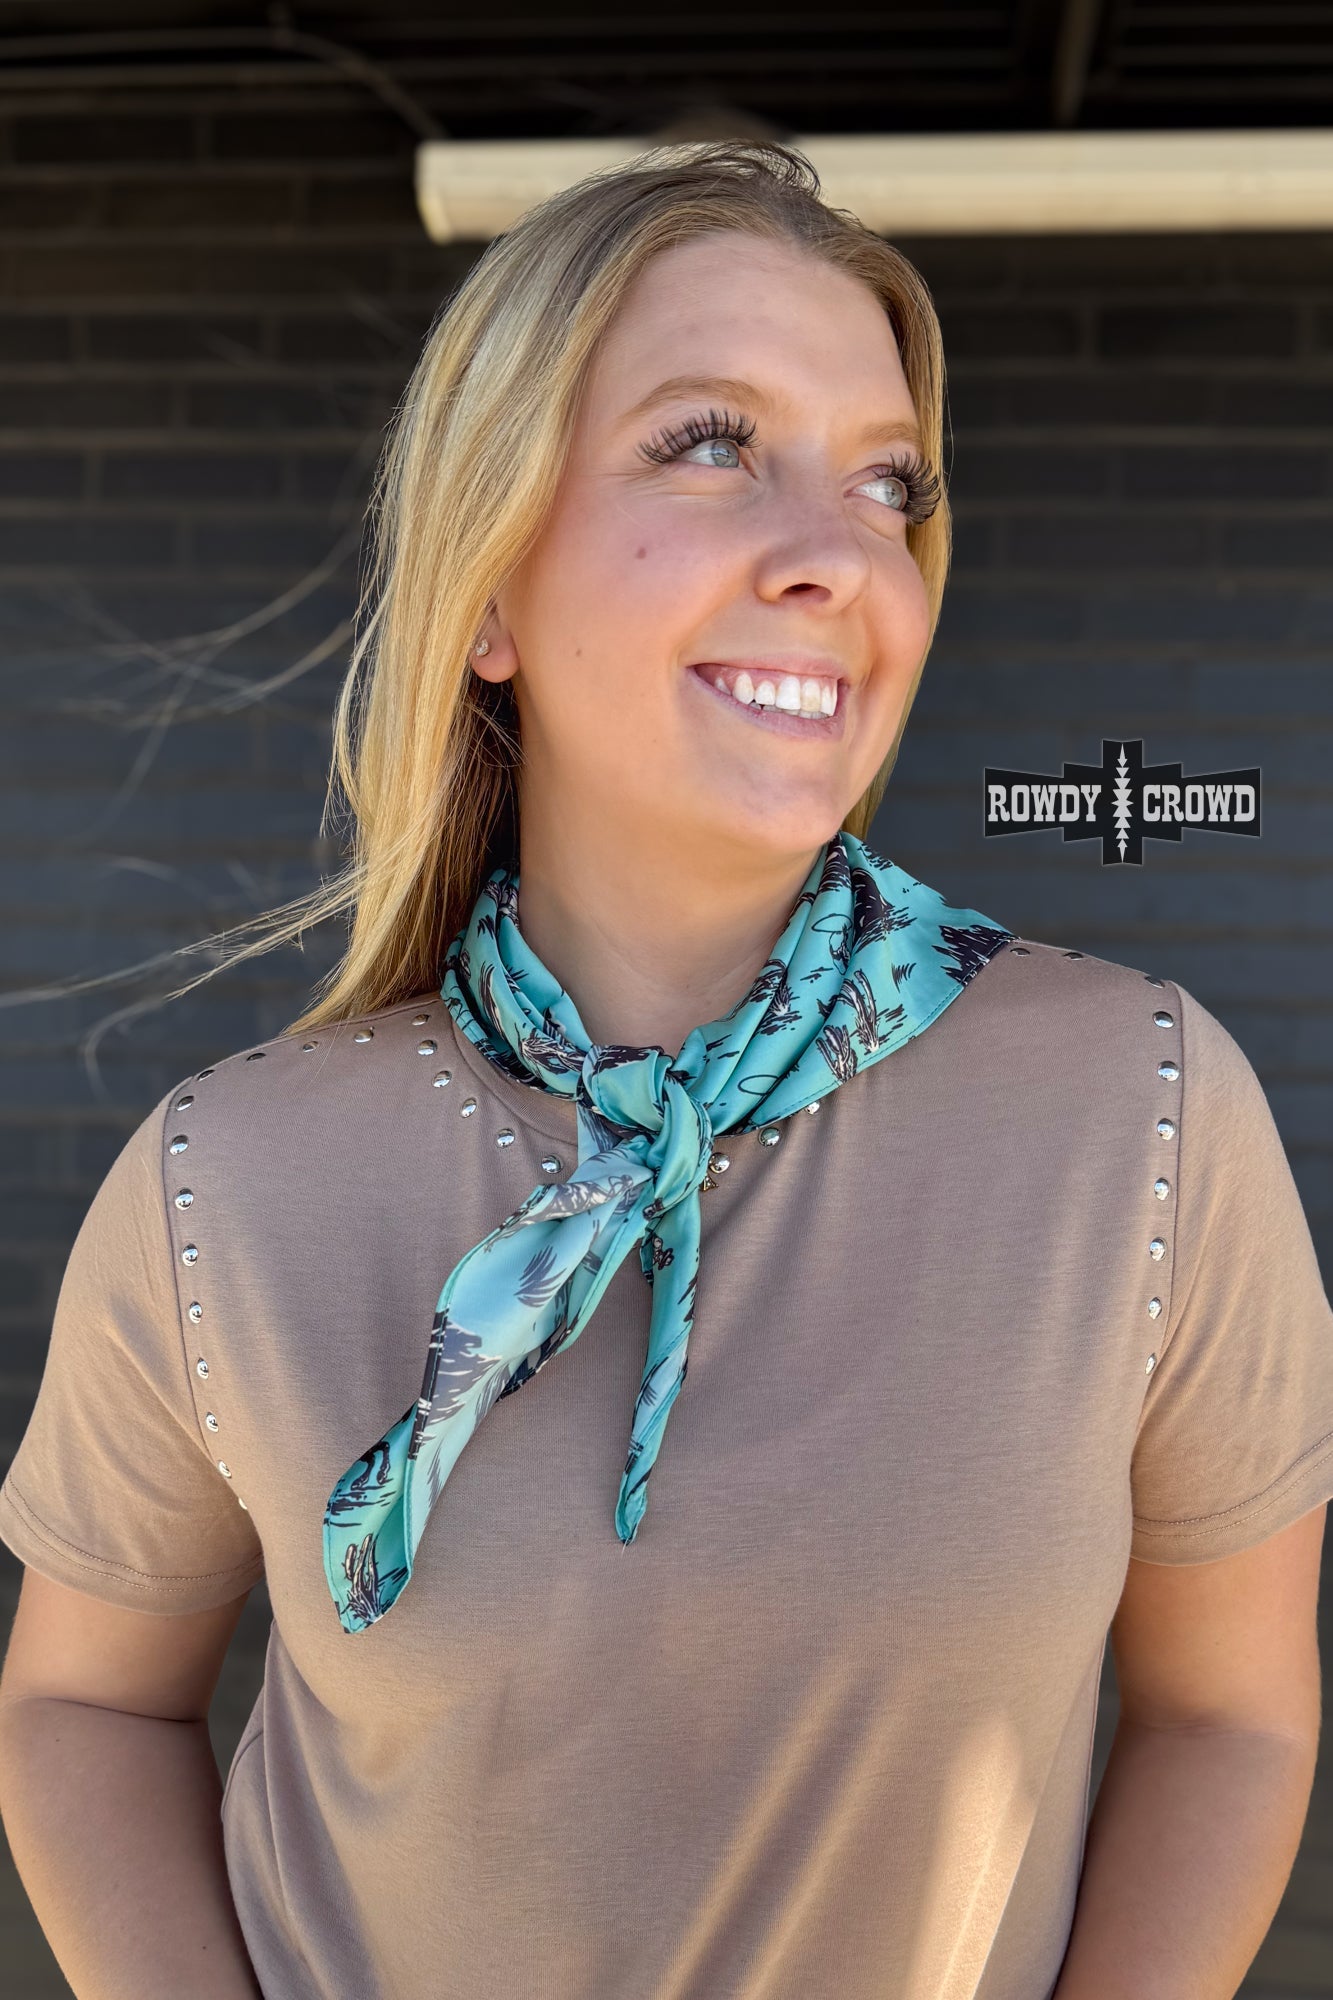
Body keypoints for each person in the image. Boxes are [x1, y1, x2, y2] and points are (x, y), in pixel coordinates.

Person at [0, 138, 1330, 2000]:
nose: (837, 554)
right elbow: (81, 1704)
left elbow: (1230, 1718)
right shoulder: (223, 1181)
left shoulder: (1146, 1118)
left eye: (888, 484)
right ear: (486, 593)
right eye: (710, 444)